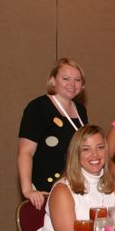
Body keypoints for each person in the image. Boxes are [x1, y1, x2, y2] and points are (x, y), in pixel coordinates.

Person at [34, 125, 115, 231]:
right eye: (86, 149)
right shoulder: (63, 190)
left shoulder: (111, 187)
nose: (95, 155)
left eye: (100, 147)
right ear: (76, 154)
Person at [18, 58, 88, 210]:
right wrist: (28, 189)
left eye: (77, 79)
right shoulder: (38, 107)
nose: (72, 84)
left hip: (75, 188)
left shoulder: (81, 110)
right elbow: (26, 152)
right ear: (53, 81)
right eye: (66, 78)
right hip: (46, 190)